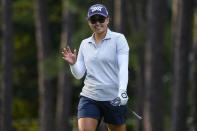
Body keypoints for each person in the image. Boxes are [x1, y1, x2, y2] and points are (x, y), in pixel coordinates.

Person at [62, 3, 129, 131]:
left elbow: (123, 68)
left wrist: (122, 92)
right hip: (90, 97)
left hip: (114, 98)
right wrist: (73, 64)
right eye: (94, 20)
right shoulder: (85, 44)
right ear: (89, 22)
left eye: (101, 19)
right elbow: (79, 74)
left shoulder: (119, 39)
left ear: (108, 20)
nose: (97, 23)